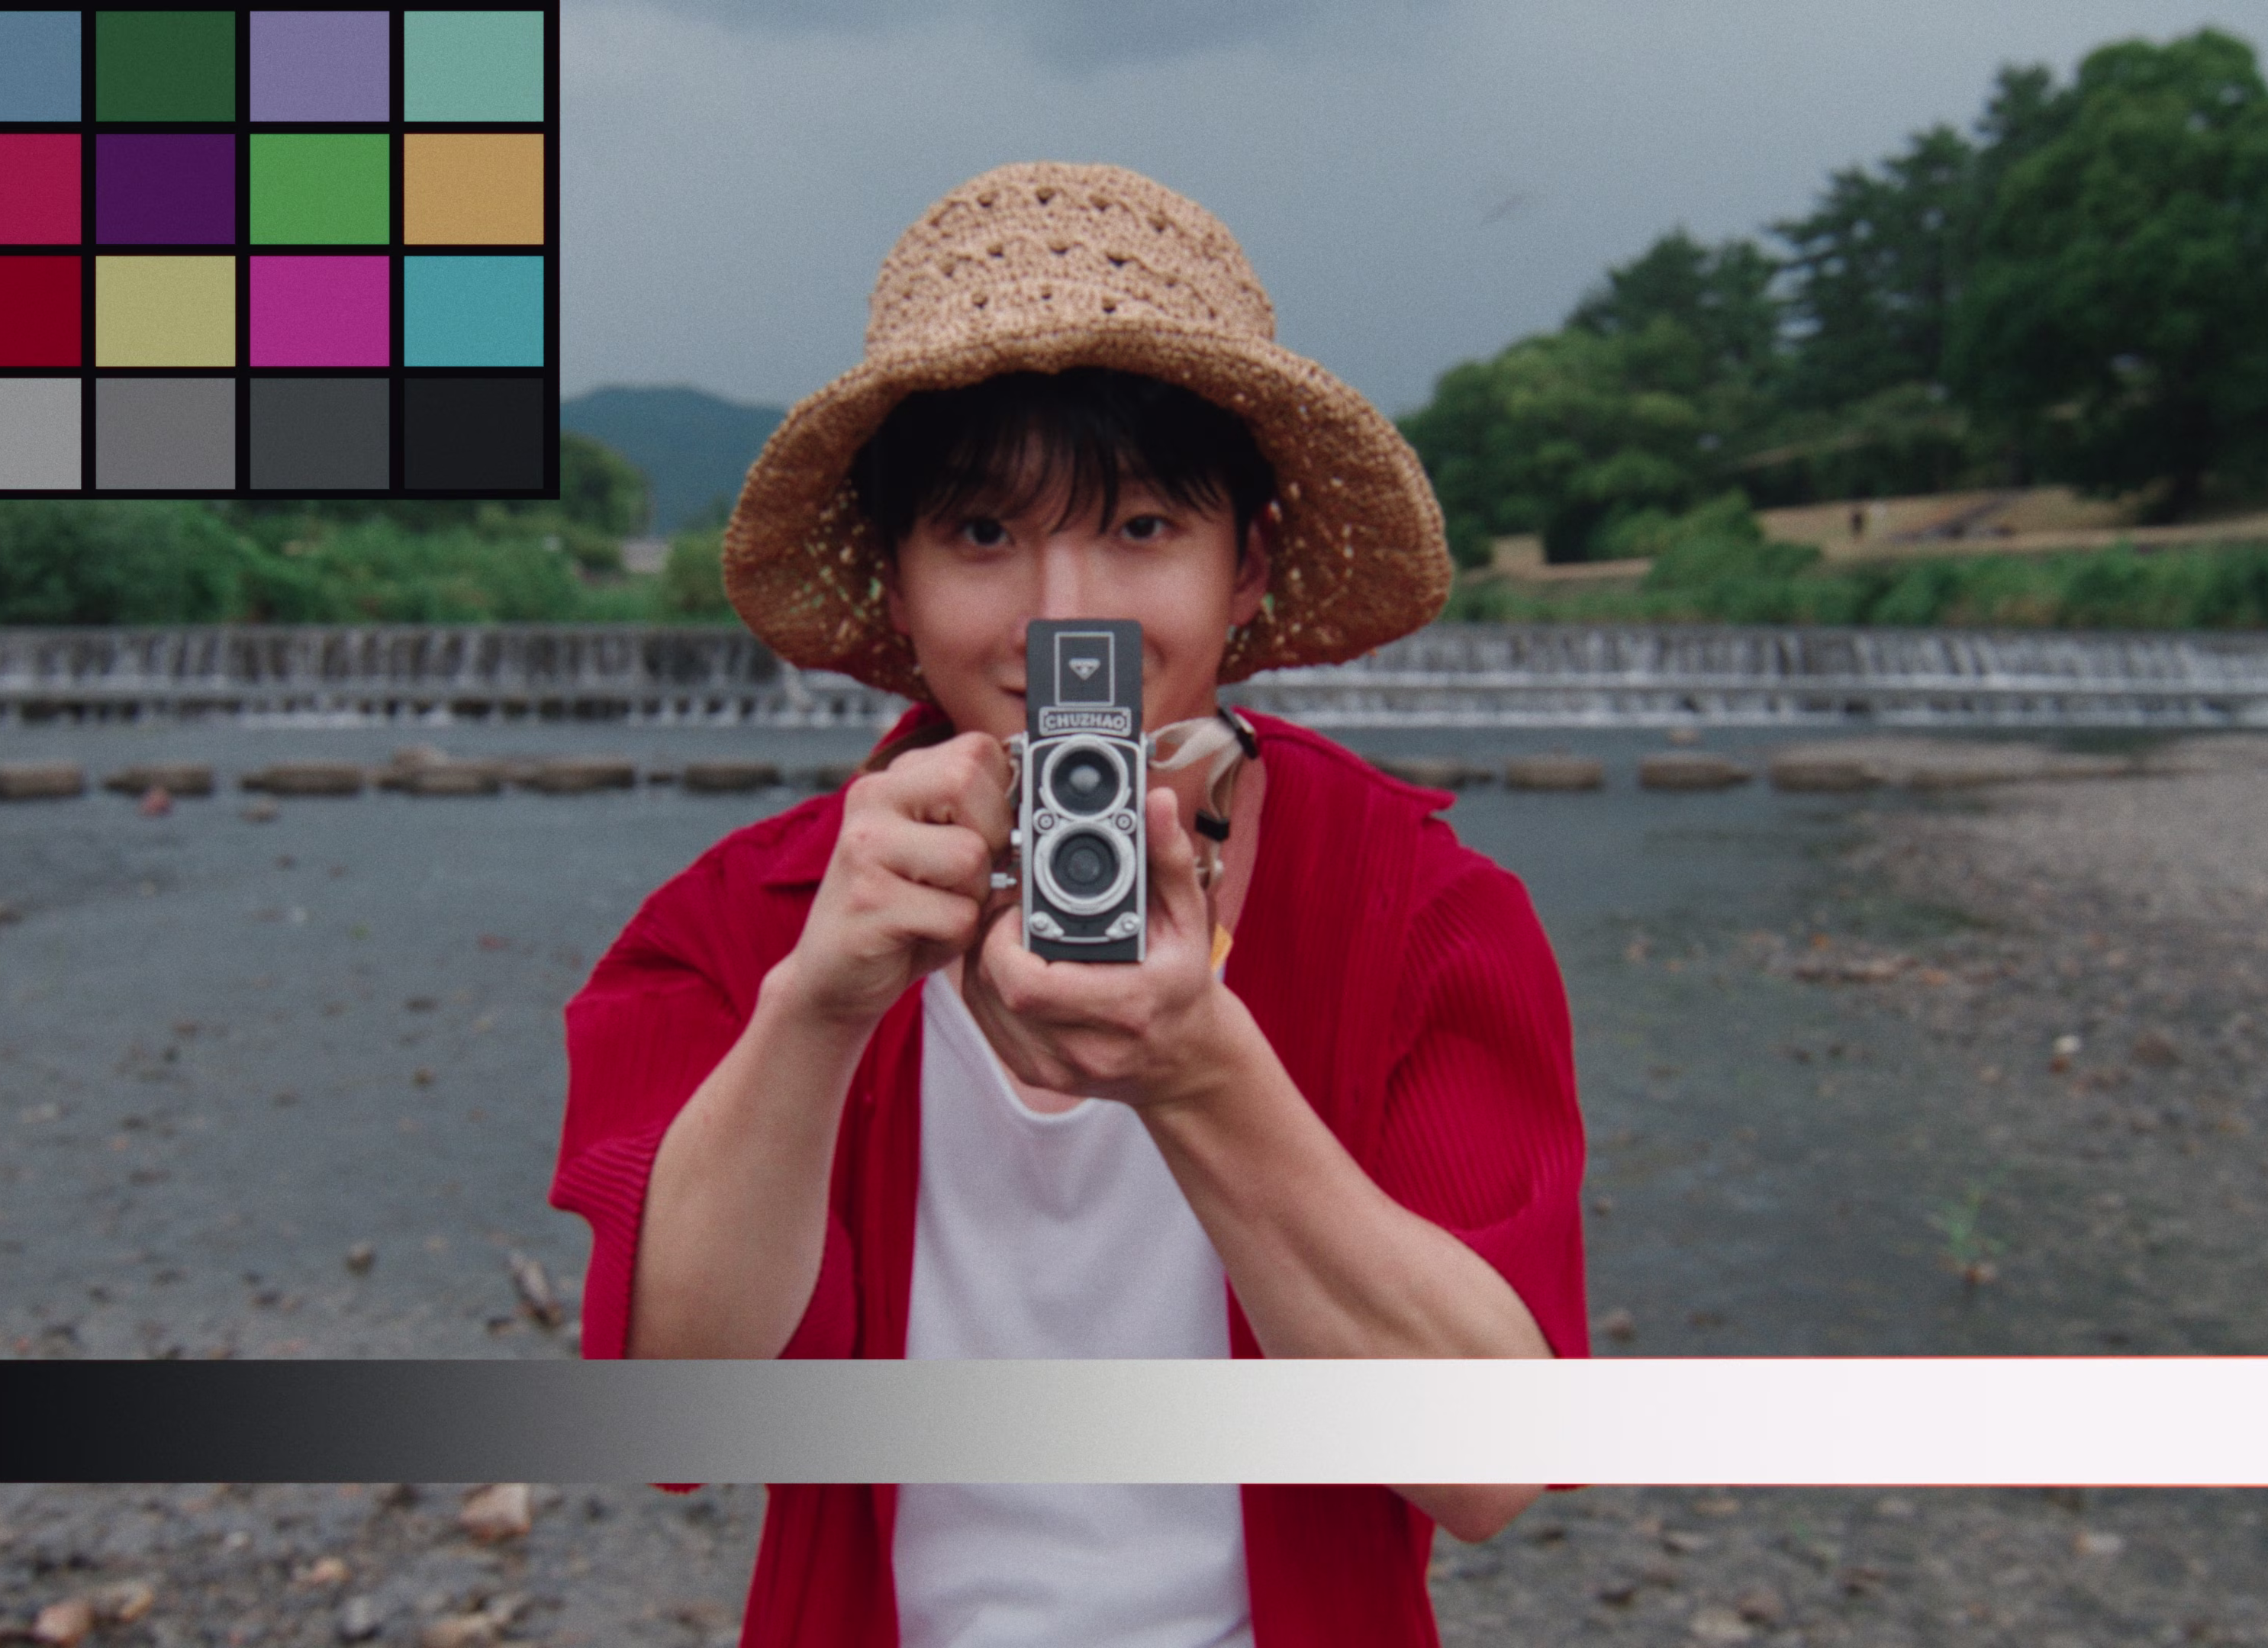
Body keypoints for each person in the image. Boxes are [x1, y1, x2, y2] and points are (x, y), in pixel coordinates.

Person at [551, 162, 1588, 1648]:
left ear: (1253, 568)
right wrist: (818, 1008)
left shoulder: (1423, 910)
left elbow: (1493, 1475)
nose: (1065, 613)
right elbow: (679, 1414)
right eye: (982, 536)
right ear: (899, 587)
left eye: (1145, 527)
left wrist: (1205, 1074)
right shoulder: (743, 919)